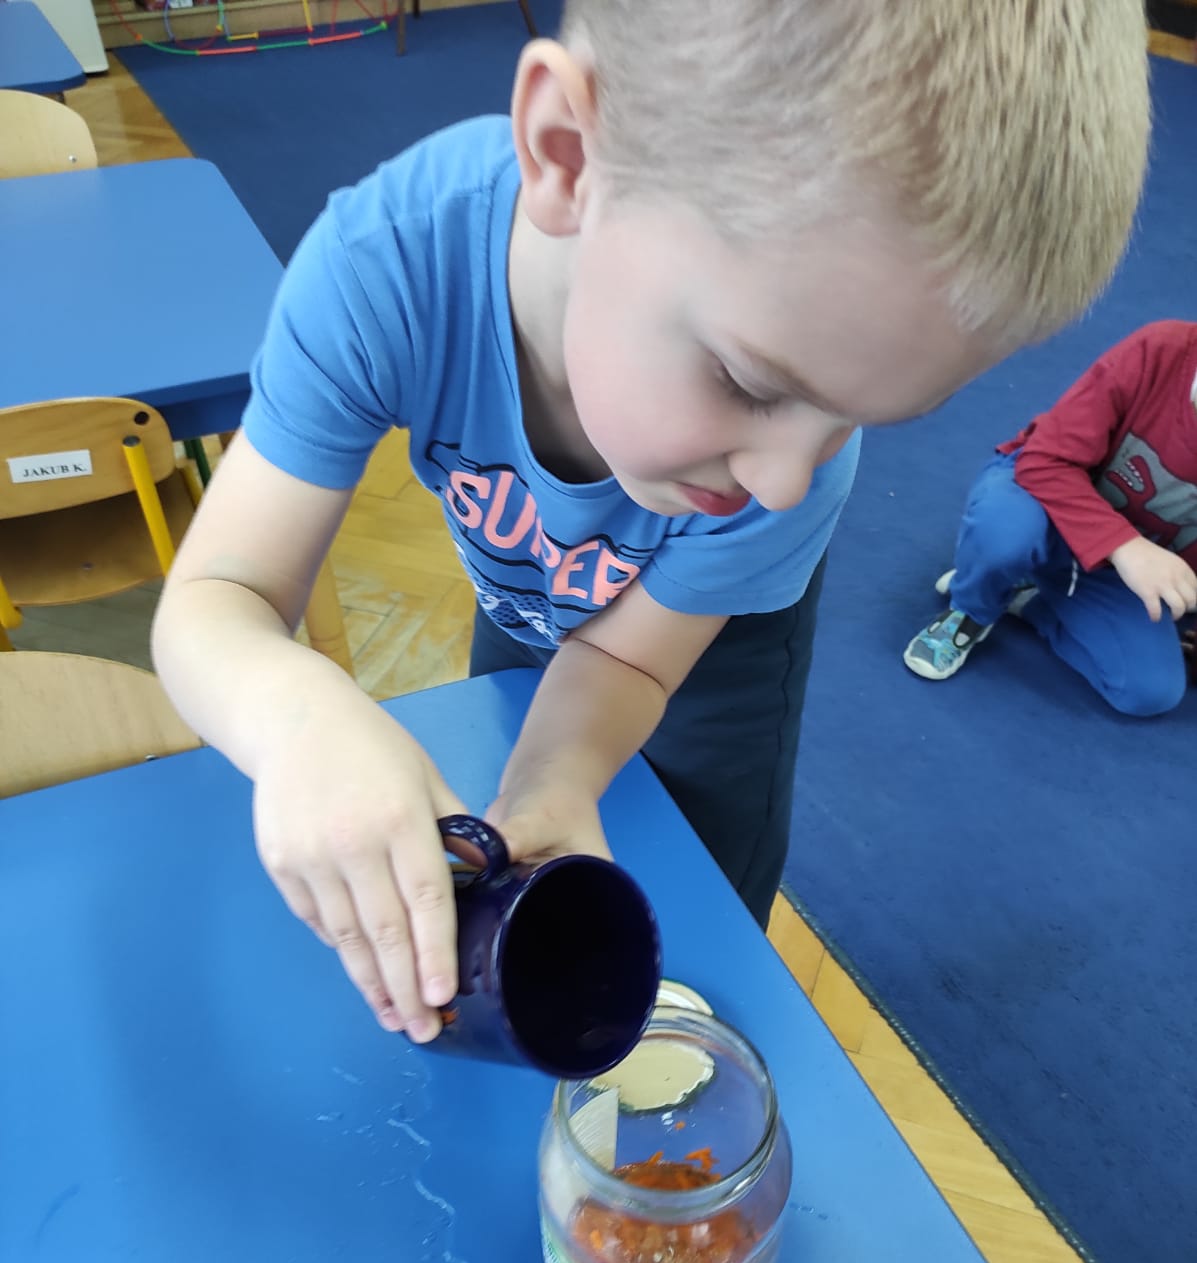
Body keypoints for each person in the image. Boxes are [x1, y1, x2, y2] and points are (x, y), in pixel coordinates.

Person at [151, 0, 1149, 1042]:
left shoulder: (784, 467)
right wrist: (299, 721)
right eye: (750, 382)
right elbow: (215, 599)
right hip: (526, 592)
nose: (786, 484)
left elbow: (630, 662)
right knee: (515, 743)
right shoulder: (384, 266)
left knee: (705, 886)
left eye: (854, 416)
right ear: (569, 156)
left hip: (713, 645)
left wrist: (556, 779)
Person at [904, 320, 1197, 710]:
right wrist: (1126, 545)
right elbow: (1045, 461)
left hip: (1119, 567)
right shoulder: (1163, 350)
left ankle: (1030, 598)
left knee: (1150, 691)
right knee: (1005, 534)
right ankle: (972, 609)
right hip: (1043, 498)